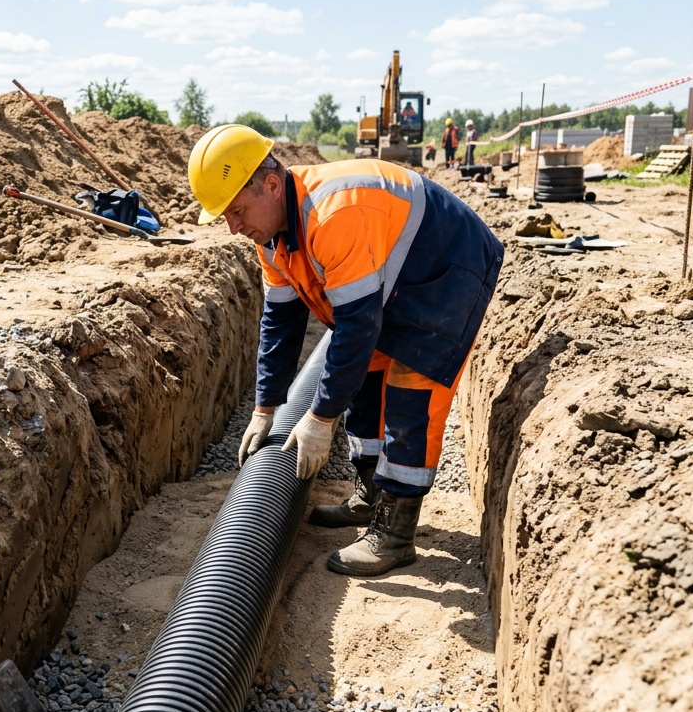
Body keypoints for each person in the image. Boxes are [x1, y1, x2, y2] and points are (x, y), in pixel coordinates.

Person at [187, 124, 503, 576]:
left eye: (237, 211)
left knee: (411, 388)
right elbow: (280, 322)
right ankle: (371, 495)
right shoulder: (272, 237)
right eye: (226, 217)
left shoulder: (332, 215)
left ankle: (394, 535)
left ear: (272, 185)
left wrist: (318, 420)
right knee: (366, 378)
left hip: (448, 265)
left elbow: (356, 324)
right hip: (399, 273)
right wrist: (266, 406)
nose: (234, 227)